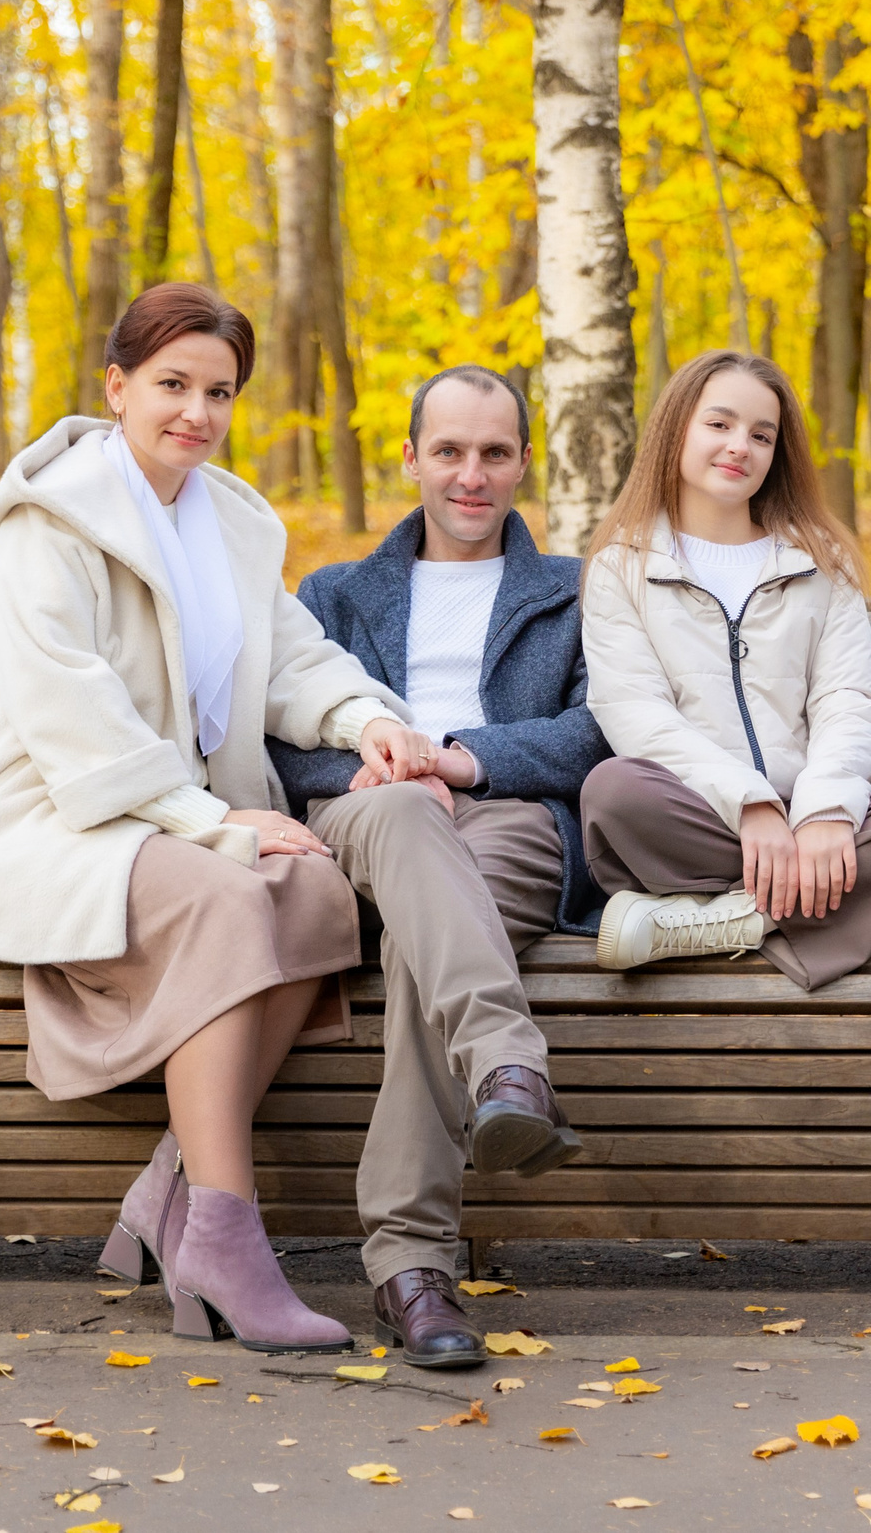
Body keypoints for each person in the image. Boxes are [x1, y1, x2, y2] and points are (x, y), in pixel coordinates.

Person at [0, 283, 436, 1355]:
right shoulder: (47, 526)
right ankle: (226, 1233)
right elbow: (75, 717)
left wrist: (364, 721)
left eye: (219, 391)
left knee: (313, 889)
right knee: (228, 893)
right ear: (116, 387)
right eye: (172, 384)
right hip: (52, 817)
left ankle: (172, 1187)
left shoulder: (231, 521)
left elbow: (291, 657)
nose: (196, 412)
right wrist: (219, 823)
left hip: (165, 815)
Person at [268, 364, 607, 1369]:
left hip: (509, 815)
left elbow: (603, 729)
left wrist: (463, 755)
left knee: (431, 948)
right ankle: (511, 1063)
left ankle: (408, 1265)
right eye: (450, 450)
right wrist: (379, 761)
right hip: (364, 819)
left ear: (521, 464)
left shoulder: (577, 591)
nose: (472, 474)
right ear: (410, 457)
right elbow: (283, 732)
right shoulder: (333, 593)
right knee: (412, 825)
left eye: (495, 452)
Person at [575, 349, 871, 989]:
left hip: (819, 819)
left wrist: (823, 813)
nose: (739, 447)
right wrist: (752, 807)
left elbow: (848, 700)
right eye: (718, 425)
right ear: (676, 430)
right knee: (613, 791)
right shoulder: (623, 567)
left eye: (762, 435)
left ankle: (731, 920)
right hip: (706, 819)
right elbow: (636, 716)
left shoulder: (818, 561)